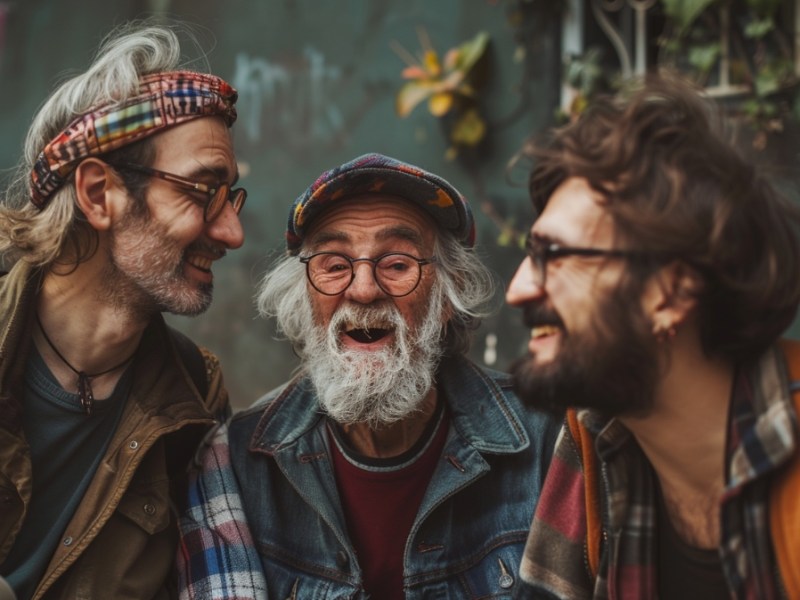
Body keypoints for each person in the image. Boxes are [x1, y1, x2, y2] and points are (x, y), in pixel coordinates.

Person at [177, 153, 561, 599]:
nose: (362, 289)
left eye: (397, 264)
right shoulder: (237, 465)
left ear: (446, 297)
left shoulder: (548, 440)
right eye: (335, 265)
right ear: (304, 298)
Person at [505, 75, 800, 598]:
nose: (519, 289)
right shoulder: (593, 437)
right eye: (531, 255)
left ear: (670, 291)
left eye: (554, 255)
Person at [0, 22, 245, 600]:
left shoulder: (195, 397)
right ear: (97, 194)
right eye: (201, 191)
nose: (231, 232)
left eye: (230, 196)